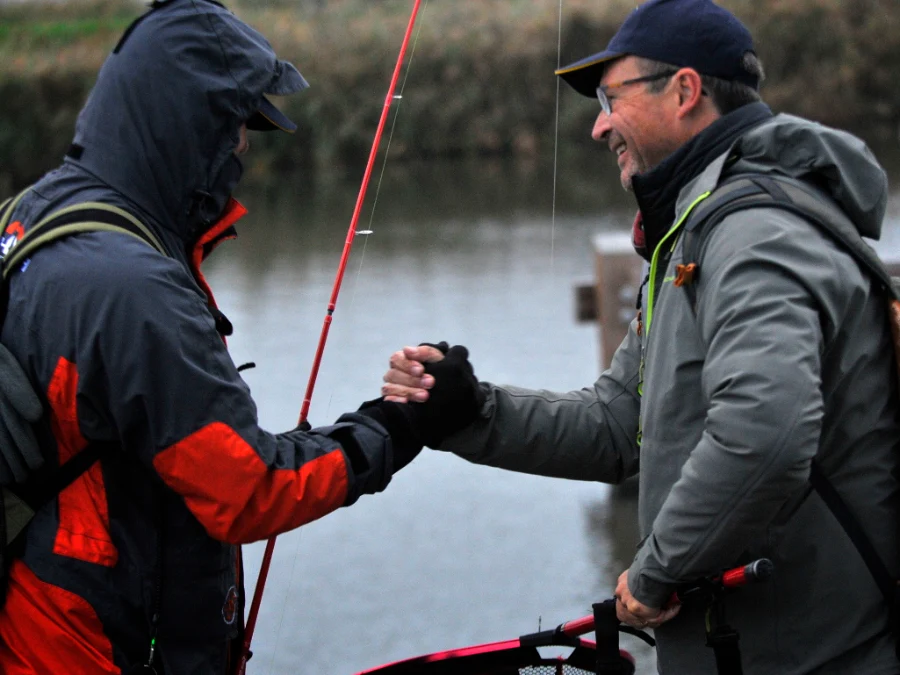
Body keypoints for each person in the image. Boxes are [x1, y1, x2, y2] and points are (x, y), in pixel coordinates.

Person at [382, 0, 900, 673]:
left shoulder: (753, 233)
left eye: (610, 98)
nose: (599, 126)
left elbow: (766, 434)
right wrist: (470, 411)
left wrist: (654, 572)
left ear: (685, 91)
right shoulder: (697, 236)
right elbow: (620, 422)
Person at [0, 1, 450, 673]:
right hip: (81, 647)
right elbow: (248, 487)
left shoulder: (28, 218)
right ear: (186, 120)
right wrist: (394, 427)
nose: (242, 147)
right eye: (235, 125)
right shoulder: (133, 290)